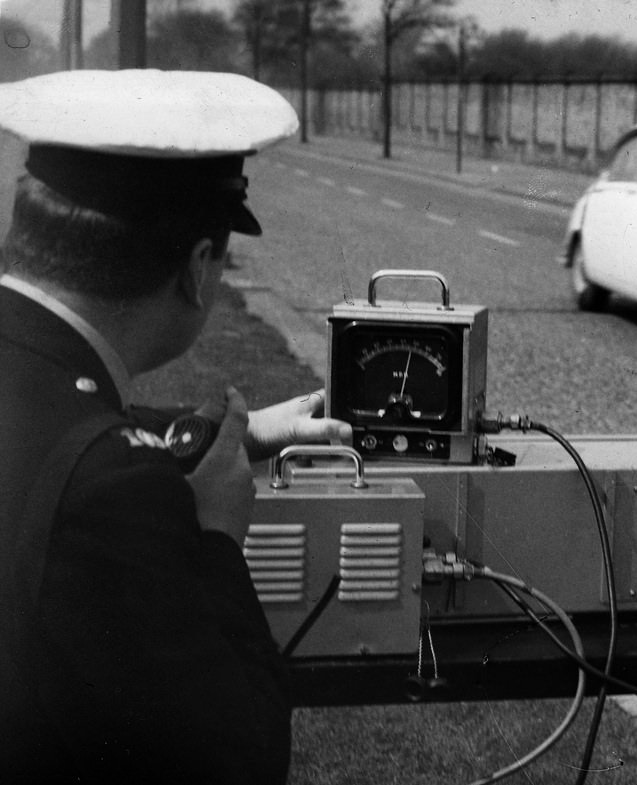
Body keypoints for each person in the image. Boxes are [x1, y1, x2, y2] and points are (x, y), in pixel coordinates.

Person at [0, 70, 350, 784]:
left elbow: (54, 419)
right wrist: (220, 537)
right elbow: (236, 756)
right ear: (197, 268)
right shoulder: (116, 494)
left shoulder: (60, 408)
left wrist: (218, 434)